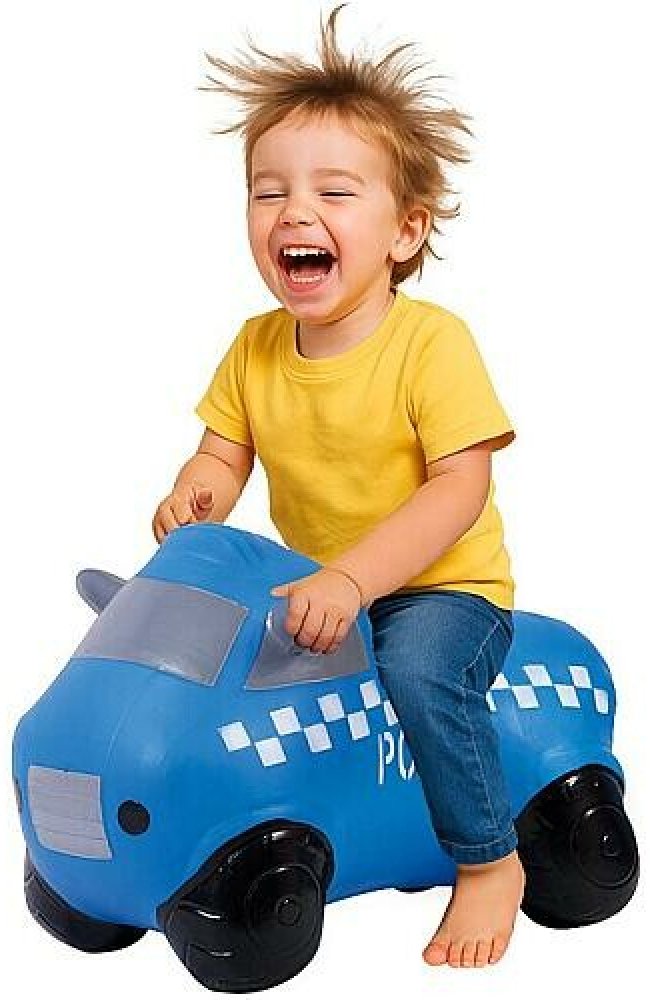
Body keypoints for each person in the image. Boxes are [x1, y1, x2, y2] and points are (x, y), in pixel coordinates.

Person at [152, 2, 525, 971]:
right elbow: (222, 453)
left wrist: (357, 580)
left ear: (405, 230)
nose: (292, 212)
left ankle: (489, 860)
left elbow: (458, 490)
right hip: (316, 591)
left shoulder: (430, 343)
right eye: (268, 191)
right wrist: (196, 493)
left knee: (417, 673)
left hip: (439, 594)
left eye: (333, 191)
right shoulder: (254, 346)